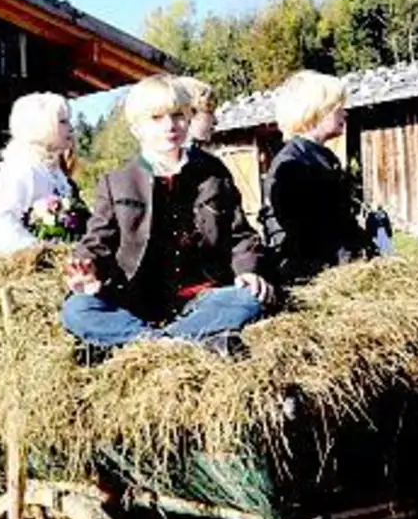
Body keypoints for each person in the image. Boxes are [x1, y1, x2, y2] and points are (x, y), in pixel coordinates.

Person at [60, 74, 275, 355]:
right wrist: (87, 269)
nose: (170, 126)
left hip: (204, 296)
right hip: (136, 300)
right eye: (156, 118)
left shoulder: (213, 172)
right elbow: (97, 241)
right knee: (77, 309)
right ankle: (170, 342)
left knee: (249, 298)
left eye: (178, 115)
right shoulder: (117, 182)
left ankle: (150, 343)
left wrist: (248, 271)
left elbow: (240, 234)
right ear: (137, 128)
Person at [257, 70, 378, 287]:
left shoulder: (323, 157)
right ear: (315, 112)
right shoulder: (291, 165)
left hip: (343, 267)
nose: (345, 113)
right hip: (316, 278)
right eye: (338, 107)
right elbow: (297, 234)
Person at [0, 92, 80, 253]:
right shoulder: (22, 168)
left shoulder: (53, 170)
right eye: (63, 122)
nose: (71, 128)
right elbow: (1, 223)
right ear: (41, 127)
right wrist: (41, 249)